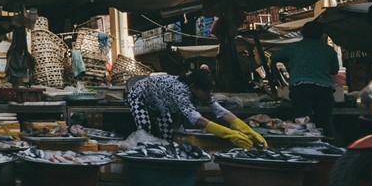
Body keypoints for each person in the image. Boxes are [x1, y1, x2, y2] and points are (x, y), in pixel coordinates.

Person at [126, 70, 267, 148]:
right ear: (194, 87)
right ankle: (139, 155)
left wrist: (246, 129)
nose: (208, 95)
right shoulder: (180, 91)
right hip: (141, 96)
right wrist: (228, 134)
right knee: (145, 129)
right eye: (206, 92)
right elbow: (195, 118)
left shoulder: (202, 93)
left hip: (161, 104)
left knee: (167, 135)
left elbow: (220, 110)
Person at [272, 21, 340, 138]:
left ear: (303, 33)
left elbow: (274, 57)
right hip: (324, 90)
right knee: (325, 121)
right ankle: (331, 147)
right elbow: (334, 70)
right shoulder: (328, 50)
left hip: (301, 89)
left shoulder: (293, 47)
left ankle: (306, 148)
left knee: (302, 122)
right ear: (321, 34)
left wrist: (292, 61)